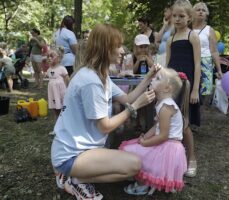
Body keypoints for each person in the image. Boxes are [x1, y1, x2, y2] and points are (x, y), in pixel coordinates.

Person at [51, 24, 159, 200]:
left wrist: (148, 77)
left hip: (81, 150)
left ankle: (75, 176)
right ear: (104, 48)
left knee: (131, 167)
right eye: (117, 46)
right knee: (134, 166)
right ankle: (75, 179)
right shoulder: (91, 82)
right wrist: (134, 108)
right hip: (72, 155)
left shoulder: (101, 75)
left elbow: (127, 98)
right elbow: (105, 127)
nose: (122, 50)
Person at [120, 68, 189, 195]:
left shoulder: (165, 107)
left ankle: (143, 184)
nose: (153, 79)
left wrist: (145, 143)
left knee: (138, 154)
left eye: (157, 79)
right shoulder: (162, 103)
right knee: (135, 146)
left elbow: (163, 136)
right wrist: (145, 137)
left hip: (168, 146)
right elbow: (157, 127)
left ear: (167, 88)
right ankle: (139, 176)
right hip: (167, 143)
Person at [166, 0, 200, 177]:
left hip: (186, 85)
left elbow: (197, 64)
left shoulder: (192, 36)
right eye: (174, 16)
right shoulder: (170, 39)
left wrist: (195, 89)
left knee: (184, 122)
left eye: (181, 16)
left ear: (189, 17)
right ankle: (171, 157)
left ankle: (191, 157)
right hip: (172, 86)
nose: (177, 19)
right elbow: (167, 65)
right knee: (169, 120)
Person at [192, 2, 222, 108]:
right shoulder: (187, 28)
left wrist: (219, 70)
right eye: (198, 10)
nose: (200, 12)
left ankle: (199, 114)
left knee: (205, 90)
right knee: (189, 86)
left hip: (206, 62)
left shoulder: (209, 30)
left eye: (203, 10)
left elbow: (214, 51)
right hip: (190, 60)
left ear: (206, 14)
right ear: (193, 13)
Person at [46, 47, 69, 133]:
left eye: (51, 56)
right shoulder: (49, 70)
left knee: (62, 111)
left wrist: (68, 91)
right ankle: (56, 129)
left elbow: (67, 79)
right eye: (48, 56)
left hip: (61, 93)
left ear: (58, 57)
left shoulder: (62, 68)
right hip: (53, 94)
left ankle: (65, 128)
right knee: (55, 111)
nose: (49, 58)